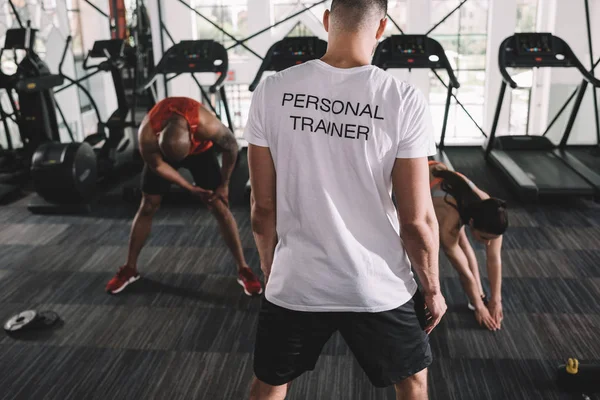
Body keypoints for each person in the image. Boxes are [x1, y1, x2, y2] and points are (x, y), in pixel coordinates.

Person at [245, 1, 447, 399]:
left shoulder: (271, 90)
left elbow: (261, 208)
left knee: (270, 384)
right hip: (375, 284)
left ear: (325, 21)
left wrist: (272, 268)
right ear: (382, 28)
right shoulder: (402, 98)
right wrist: (433, 289)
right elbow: (417, 220)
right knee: (413, 383)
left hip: (297, 280)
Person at [105, 97, 262, 296]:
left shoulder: (207, 125)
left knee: (219, 206)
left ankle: (244, 269)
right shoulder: (148, 134)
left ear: (191, 135)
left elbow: (231, 148)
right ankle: (130, 268)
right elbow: (158, 165)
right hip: (161, 155)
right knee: (148, 205)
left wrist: (224, 184)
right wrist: (189, 187)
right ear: (160, 135)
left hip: (201, 154)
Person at [429, 161, 508, 331]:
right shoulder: (448, 224)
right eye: (484, 237)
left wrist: (496, 299)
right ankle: (476, 299)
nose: (488, 243)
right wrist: (479, 307)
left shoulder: (491, 208)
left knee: (463, 239)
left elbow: (494, 259)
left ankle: (478, 296)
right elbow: (463, 272)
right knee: (459, 240)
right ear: (471, 222)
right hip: (424, 179)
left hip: (452, 193)